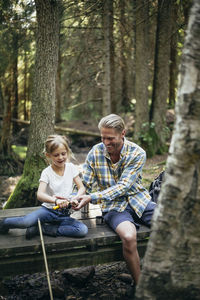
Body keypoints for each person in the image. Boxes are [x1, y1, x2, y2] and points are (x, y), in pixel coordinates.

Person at [74, 114, 156, 285]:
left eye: (110, 138)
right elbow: (85, 184)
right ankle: (139, 286)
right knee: (128, 236)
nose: (105, 143)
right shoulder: (94, 153)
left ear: (123, 133)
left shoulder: (137, 153)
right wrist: (75, 197)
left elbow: (124, 186)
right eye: (102, 137)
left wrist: (92, 197)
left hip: (139, 200)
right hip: (113, 207)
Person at [0, 135, 88, 239]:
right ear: (48, 155)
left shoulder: (71, 168)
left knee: (82, 230)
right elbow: (40, 194)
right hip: (48, 211)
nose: (60, 157)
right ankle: (4, 223)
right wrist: (56, 201)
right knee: (25, 222)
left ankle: (41, 229)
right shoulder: (46, 172)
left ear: (67, 152)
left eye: (63, 154)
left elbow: (82, 188)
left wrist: (75, 198)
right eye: (56, 155)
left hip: (64, 215)